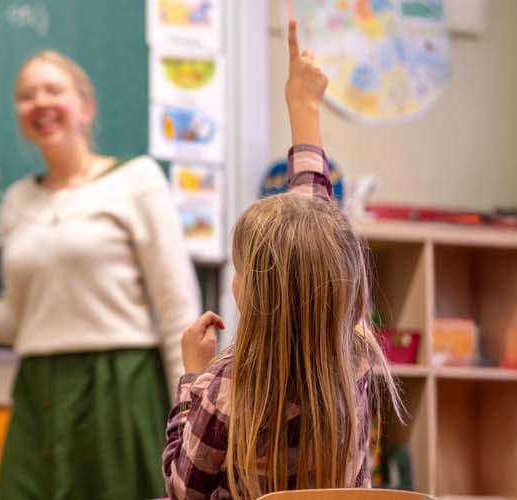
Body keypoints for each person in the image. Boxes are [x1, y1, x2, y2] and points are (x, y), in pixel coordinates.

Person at [0, 50, 200, 500]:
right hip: (39, 389)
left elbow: (178, 311)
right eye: (26, 96)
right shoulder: (16, 201)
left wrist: (189, 413)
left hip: (121, 386)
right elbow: (20, 322)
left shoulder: (137, 180)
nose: (40, 103)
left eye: (54, 90)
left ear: (86, 106)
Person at [161, 20, 403, 500]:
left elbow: (182, 490)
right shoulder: (351, 363)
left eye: (241, 269)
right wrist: (304, 107)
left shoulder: (226, 390)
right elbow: (314, 236)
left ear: (256, 292)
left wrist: (191, 378)